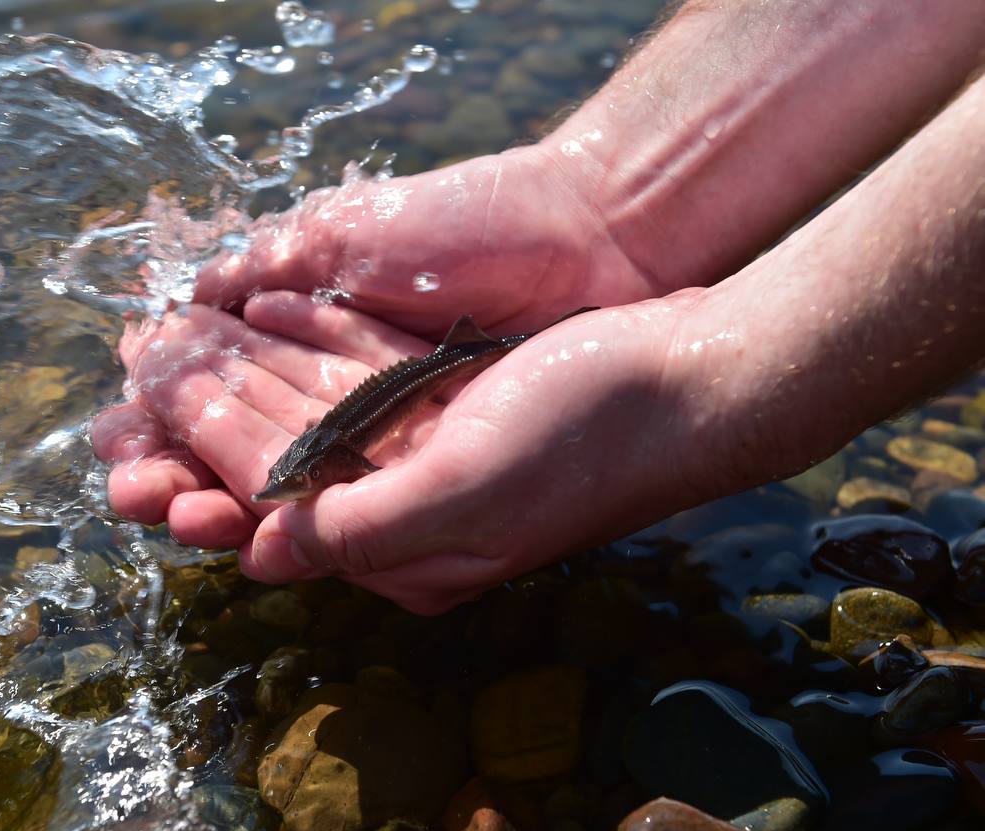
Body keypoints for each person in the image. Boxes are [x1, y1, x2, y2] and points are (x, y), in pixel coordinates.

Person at [92, 0, 985, 614]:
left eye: (295, 480)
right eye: (291, 482)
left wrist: (705, 376)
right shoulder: (326, 449)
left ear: (320, 464)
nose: (290, 490)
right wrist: (597, 198)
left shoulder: (333, 449)